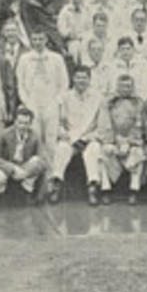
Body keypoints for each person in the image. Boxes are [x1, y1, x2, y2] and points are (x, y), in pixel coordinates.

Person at [52, 66, 103, 204]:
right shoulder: (64, 97)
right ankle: (56, 185)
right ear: (73, 79)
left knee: (93, 151)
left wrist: (87, 138)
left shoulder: (98, 98)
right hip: (70, 138)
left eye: (84, 77)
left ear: (89, 79)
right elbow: (59, 123)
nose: (81, 81)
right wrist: (68, 136)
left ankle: (92, 188)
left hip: (90, 138)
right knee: (62, 148)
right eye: (78, 77)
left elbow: (102, 125)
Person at [96, 75, 146, 205]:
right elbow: (104, 124)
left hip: (131, 142)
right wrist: (114, 140)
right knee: (104, 153)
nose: (125, 89)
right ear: (117, 87)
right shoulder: (108, 102)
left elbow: (140, 125)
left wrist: (128, 142)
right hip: (113, 140)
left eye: (129, 86)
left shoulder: (138, 102)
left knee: (138, 154)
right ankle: (106, 190)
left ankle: (134, 191)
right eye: (122, 86)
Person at [0, 106, 46, 203]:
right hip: (8, 166)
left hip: (25, 167)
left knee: (36, 161)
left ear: (31, 124)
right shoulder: (4, 134)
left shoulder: (35, 136)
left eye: (26, 123)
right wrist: (12, 168)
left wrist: (26, 172)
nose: (22, 126)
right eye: (20, 122)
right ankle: (0, 195)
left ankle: (27, 192)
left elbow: (43, 160)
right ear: (15, 121)